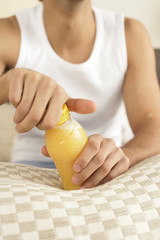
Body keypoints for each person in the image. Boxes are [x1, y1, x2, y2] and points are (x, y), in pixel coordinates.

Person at [0, 0, 160, 189]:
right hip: (29, 172)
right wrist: (7, 84)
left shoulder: (130, 34)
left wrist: (124, 155)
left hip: (105, 171)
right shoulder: (6, 33)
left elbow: (154, 125)